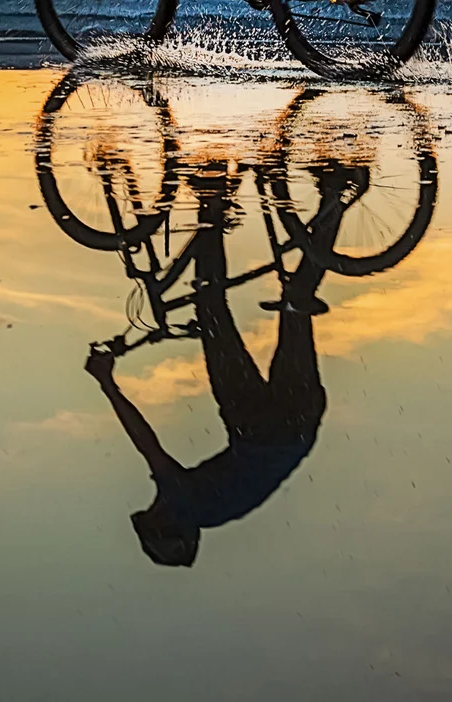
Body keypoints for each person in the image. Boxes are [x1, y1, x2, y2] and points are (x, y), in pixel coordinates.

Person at [86, 161, 332, 566]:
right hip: (255, 425)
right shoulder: (186, 507)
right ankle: (211, 202)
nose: (156, 504)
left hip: (300, 427)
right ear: (166, 523)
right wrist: (107, 383)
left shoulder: (216, 514)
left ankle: (336, 196)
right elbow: (149, 447)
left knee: (296, 305)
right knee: (211, 305)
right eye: (155, 514)